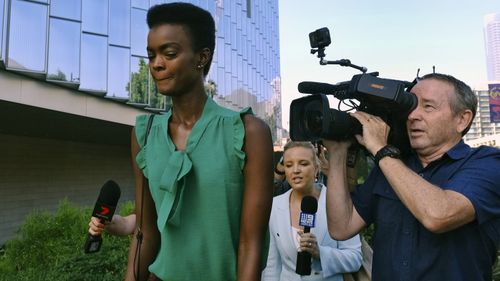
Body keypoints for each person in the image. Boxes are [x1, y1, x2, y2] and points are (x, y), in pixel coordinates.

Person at [125, 3, 274, 281]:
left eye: (169, 53)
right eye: (151, 55)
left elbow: (249, 243)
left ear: (201, 58)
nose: (157, 64)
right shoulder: (144, 134)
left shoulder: (248, 132)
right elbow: (145, 233)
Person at [323, 73, 500, 280]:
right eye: (411, 106)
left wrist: (380, 148)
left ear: (462, 119)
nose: (412, 115)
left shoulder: (487, 163)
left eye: (428, 107)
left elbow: (438, 215)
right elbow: (341, 228)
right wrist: (337, 152)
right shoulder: (390, 166)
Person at [262, 141, 362, 281]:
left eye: (303, 163)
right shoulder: (274, 206)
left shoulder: (340, 203)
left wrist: (320, 253)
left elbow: (355, 258)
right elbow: (272, 266)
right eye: (289, 165)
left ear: (316, 168)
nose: (295, 170)